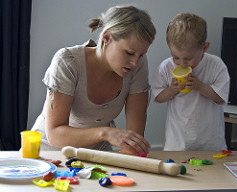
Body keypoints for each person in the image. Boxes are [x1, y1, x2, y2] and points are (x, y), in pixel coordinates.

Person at [31, 5, 156, 155]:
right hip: (49, 153)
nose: (135, 62)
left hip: (97, 155)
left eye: (141, 55)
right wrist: (105, 133)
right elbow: (55, 134)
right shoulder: (68, 62)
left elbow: (134, 141)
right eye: (129, 53)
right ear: (107, 37)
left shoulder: (137, 66)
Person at [151, 13, 230, 151]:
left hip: (210, 143)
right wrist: (172, 90)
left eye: (188, 58)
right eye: (175, 57)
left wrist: (200, 86)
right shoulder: (166, 67)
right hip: (177, 143)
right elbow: (158, 97)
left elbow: (221, 98)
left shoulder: (216, 65)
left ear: (204, 48)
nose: (181, 64)